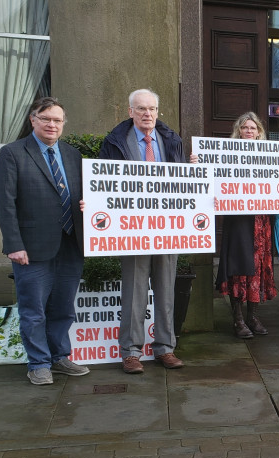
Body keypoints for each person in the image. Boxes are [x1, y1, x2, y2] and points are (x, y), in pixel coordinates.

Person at [0, 97, 91, 385]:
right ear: (33, 120)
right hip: (32, 247)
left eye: (57, 120)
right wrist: (14, 244)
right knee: (33, 309)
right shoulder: (13, 153)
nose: (52, 124)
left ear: (63, 124)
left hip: (71, 244)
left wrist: (91, 205)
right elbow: (6, 203)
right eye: (46, 118)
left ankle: (59, 357)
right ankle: (38, 363)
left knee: (63, 307)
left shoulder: (73, 155)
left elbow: (84, 194)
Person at [98, 89, 186, 373]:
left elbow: (184, 182)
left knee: (166, 289)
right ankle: (131, 352)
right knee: (134, 291)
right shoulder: (115, 142)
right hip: (132, 229)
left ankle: (165, 348)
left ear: (158, 112)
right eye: (141, 109)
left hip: (168, 227)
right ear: (130, 111)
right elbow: (103, 182)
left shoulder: (172, 140)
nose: (147, 114)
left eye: (152, 109)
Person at [192, 112, 279, 339]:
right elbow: (209, 177)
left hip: (261, 221)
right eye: (245, 128)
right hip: (238, 221)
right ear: (238, 131)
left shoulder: (270, 156)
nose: (249, 131)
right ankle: (238, 319)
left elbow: (278, 180)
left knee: (258, 268)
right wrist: (197, 164)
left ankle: (252, 317)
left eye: (253, 128)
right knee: (237, 268)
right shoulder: (225, 153)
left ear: (259, 133)